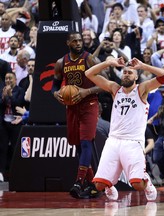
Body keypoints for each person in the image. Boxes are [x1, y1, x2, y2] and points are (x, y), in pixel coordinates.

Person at [85, 56, 164, 201]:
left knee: (137, 184)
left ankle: (148, 182)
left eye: (130, 72)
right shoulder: (115, 89)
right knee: (99, 185)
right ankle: (108, 185)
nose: (126, 74)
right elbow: (89, 74)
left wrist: (144, 66)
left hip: (133, 142)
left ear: (136, 76)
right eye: (124, 72)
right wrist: (108, 63)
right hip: (113, 141)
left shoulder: (142, 89)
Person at [51, 32, 102, 199]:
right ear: (68, 43)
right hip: (72, 107)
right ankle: (93, 185)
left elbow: (105, 84)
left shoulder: (89, 59)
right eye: (75, 41)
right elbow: (55, 86)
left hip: (89, 104)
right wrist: (56, 94)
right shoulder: (61, 63)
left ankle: (79, 182)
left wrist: (86, 91)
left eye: (80, 40)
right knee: (78, 145)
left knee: (86, 142)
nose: (79, 43)